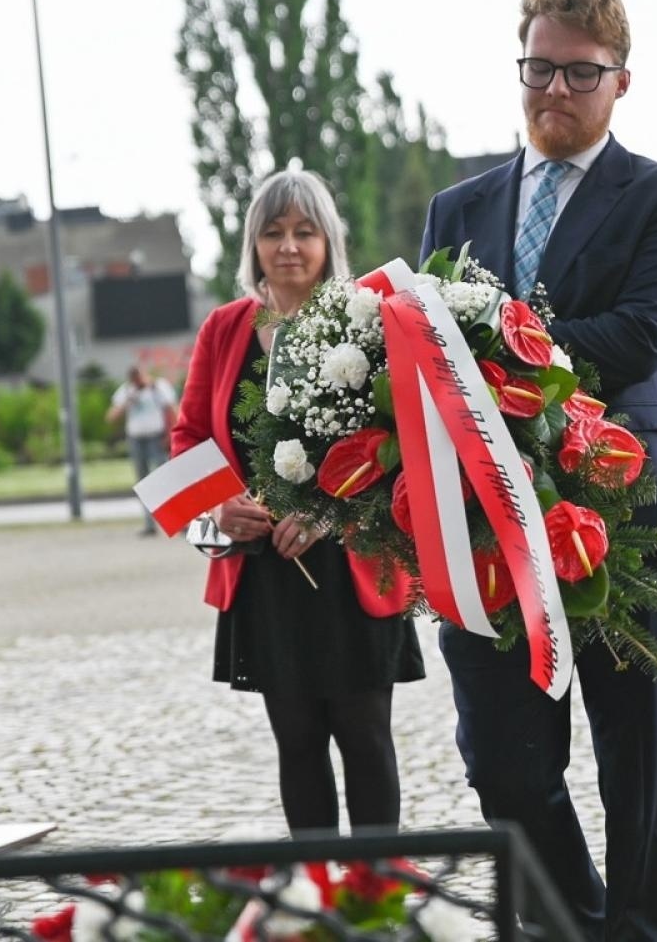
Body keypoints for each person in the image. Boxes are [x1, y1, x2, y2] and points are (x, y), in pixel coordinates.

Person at [420, 0, 657, 942]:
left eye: (580, 73)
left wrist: (493, 346)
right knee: (502, 765)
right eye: (539, 67)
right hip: (485, 523)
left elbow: (640, 338)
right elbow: (424, 353)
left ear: (621, 81)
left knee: (637, 769)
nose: (555, 88)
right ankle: (576, 929)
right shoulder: (455, 209)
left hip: (632, 509)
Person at [172, 169, 424, 836]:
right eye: (274, 232)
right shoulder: (223, 328)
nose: (288, 246)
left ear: (328, 241)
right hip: (264, 573)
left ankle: (376, 887)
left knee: (365, 736)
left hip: (354, 566)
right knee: (297, 740)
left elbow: (400, 439)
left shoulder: (365, 319)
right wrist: (220, 504)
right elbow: (188, 434)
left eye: (305, 231)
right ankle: (315, 888)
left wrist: (327, 514)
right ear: (253, 244)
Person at [107, 364, 177, 536]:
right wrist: (128, 400)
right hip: (136, 440)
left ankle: (178, 521)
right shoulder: (126, 391)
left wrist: (171, 434)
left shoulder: (158, 388)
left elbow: (171, 410)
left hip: (157, 438)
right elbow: (111, 417)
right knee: (143, 483)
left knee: (165, 479)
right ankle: (149, 524)